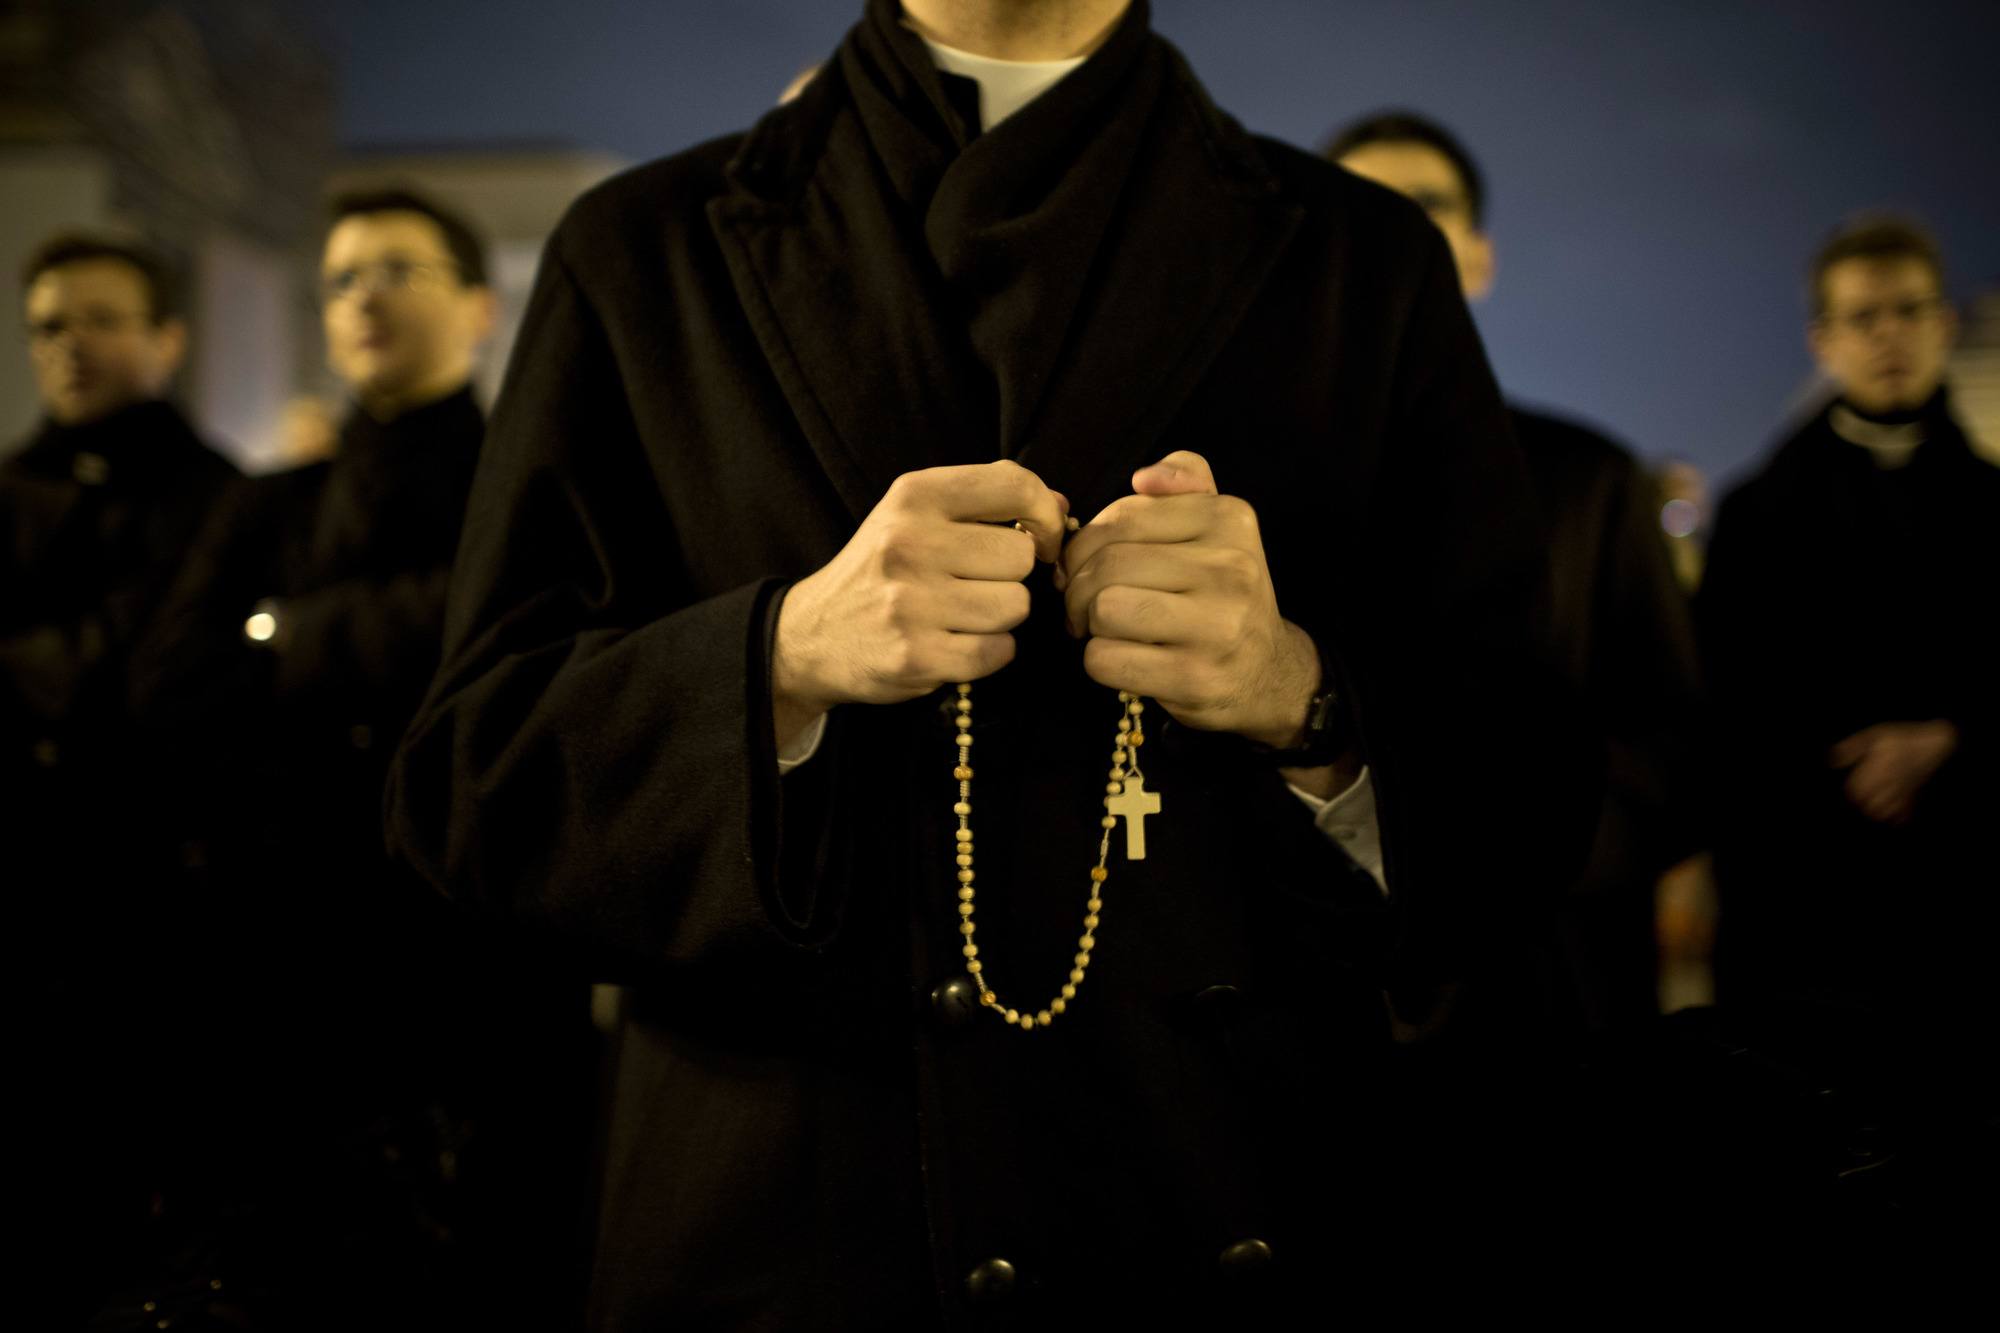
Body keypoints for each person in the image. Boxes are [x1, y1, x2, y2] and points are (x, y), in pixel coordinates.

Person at [387, 1, 1595, 1324]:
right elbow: (473, 790)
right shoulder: (639, 251)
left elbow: (1532, 807)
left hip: (1231, 1194)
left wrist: (1300, 696)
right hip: (784, 1244)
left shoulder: (1361, 261)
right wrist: (781, 654)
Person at [125, 189, 593, 1328]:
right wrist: (398, 631)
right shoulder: (272, 499)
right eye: (340, 279)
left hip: (485, 954)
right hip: (294, 952)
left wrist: (288, 631)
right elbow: (167, 687)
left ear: (479, 307)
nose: (363, 298)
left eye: (396, 269)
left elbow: (542, 656)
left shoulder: (540, 485)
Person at [1329, 111, 1703, 1034]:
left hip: (1555, 1003)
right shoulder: (1264, 488)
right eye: (1361, 205)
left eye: (1427, 206)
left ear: (1481, 256)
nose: (1399, 231)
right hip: (1324, 1005)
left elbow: (1676, 747)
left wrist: (1506, 850)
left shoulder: (1595, 479)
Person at [1699, 215, 1998, 1089]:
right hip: (1805, 909)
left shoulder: (1995, 505)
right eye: (1864, 317)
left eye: (1910, 310)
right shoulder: (1755, 515)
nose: (1889, 335)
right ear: (1823, 340)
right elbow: (1723, 711)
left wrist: (1953, 739)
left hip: (1970, 898)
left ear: (1944, 324)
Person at [2, 231, 238, 1325]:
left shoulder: (215, 499)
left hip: (152, 902)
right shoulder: (13, 485)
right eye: (50, 325)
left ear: (166, 339)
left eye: (101, 320)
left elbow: (146, 676)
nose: (71, 345)